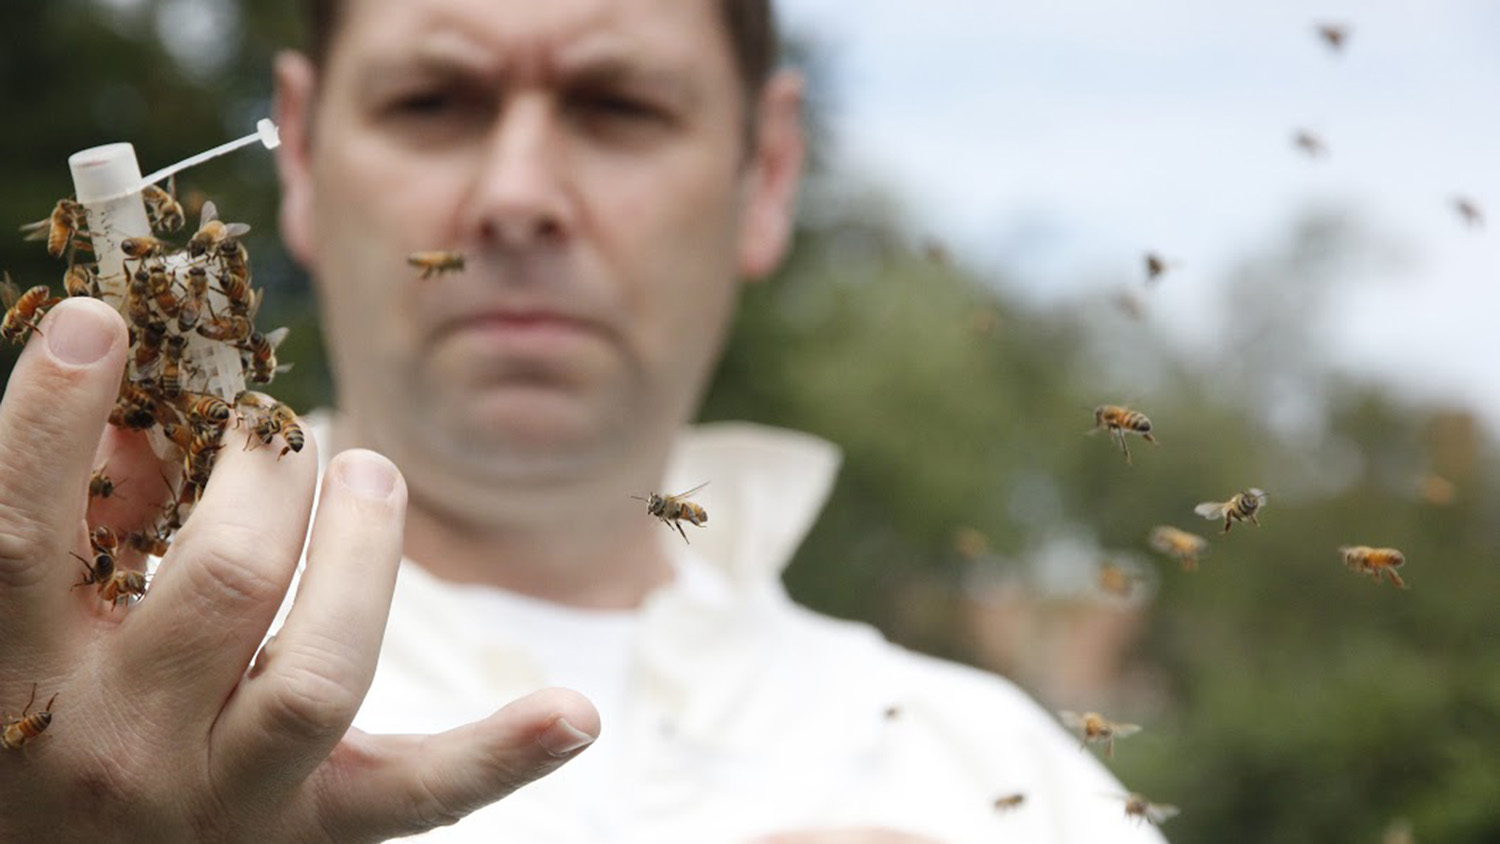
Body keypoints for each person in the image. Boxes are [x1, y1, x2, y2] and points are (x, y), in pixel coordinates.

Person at [0, 0, 1167, 842]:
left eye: (618, 105)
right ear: (298, 151)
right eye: (434, 100)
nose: (517, 197)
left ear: (764, 172)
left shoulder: (1007, 778)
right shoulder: (50, 676)